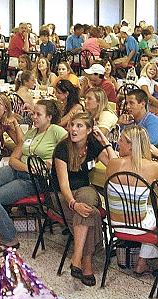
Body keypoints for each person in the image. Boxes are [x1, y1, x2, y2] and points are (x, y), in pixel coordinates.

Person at [0, 100, 67, 252]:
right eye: (34, 114)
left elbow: (71, 151)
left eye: (39, 114)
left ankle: (9, 238)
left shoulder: (57, 131)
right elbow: (13, 159)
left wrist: (53, 161)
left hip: (34, 180)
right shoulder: (32, 133)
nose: (34, 117)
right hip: (20, 169)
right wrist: (27, 167)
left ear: (49, 117)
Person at [53, 112, 116, 286]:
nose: (73, 129)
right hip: (61, 197)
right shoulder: (63, 148)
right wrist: (73, 204)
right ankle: (86, 261)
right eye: (72, 125)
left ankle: (76, 257)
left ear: (89, 130)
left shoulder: (93, 145)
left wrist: (105, 141)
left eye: (79, 126)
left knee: (87, 198)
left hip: (84, 192)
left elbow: (115, 165)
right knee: (91, 213)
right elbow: (64, 186)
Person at [106, 125, 158, 275]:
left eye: (121, 140)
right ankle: (144, 260)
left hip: (114, 223)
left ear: (130, 145)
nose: (117, 143)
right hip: (139, 225)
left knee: (146, 206)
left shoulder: (113, 163)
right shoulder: (153, 167)